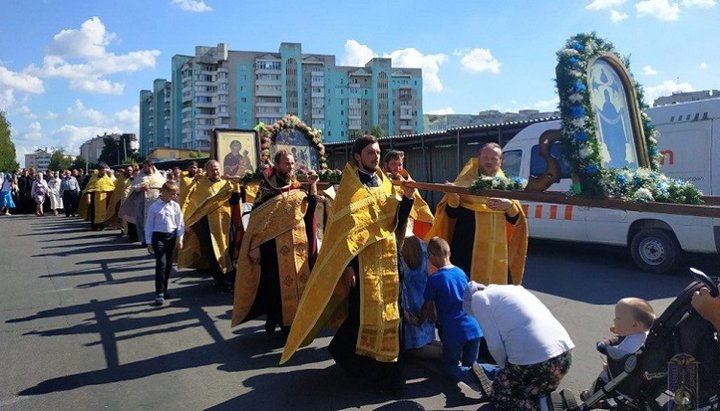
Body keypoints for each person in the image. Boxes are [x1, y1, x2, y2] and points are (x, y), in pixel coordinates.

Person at [281, 135, 415, 395]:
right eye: (370, 153)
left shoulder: (385, 183)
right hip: (363, 265)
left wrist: (407, 198)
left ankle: (391, 376)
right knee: (363, 318)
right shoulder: (349, 189)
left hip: (388, 261)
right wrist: (347, 266)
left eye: (377, 153)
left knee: (391, 318)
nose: (375, 157)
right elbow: (343, 235)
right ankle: (356, 362)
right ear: (357, 156)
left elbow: (395, 223)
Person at [231, 150, 319, 336]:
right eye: (287, 163)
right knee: (274, 286)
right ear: (277, 165)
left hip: (297, 244)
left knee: (299, 283)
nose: (291, 166)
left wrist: (312, 188)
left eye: (293, 163)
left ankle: (294, 321)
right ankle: (277, 319)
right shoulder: (267, 187)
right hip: (273, 246)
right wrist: (254, 245)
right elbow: (257, 219)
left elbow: (307, 211)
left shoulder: (296, 186)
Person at [427, 143, 528, 285]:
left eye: (494, 158)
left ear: (500, 162)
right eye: (486, 157)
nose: (489, 161)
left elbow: (516, 221)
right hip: (466, 247)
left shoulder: (506, 186)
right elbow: (451, 214)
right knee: (466, 292)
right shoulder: (464, 181)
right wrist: (453, 197)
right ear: (479, 158)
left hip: (495, 253)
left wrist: (510, 206)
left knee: (492, 293)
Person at [465, 281, 575, 409]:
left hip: (534, 361)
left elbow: (495, 346)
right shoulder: (514, 289)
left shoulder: (478, 299)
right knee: (535, 390)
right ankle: (550, 401)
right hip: (563, 355)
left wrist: (505, 370)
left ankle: (542, 406)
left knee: (501, 398)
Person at [411, 237, 483, 388]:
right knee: (472, 366)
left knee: (450, 367)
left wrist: (418, 321)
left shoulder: (435, 279)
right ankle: (485, 379)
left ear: (433, 255)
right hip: (475, 327)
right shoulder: (460, 272)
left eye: (429, 256)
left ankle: (491, 375)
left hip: (455, 330)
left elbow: (427, 306)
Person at [581, 297, 655, 401]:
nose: (614, 320)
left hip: (622, 377)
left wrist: (608, 366)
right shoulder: (644, 334)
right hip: (636, 375)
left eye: (618, 318)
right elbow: (626, 334)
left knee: (603, 377)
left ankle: (591, 397)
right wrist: (620, 329)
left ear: (634, 324)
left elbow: (620, 361)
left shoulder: (630, 345)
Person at [178, 160, 236, 290]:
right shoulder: (202, 186)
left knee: (228, 250)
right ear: (207, 171)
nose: (215, 172)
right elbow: (195, 205)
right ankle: (220, 280)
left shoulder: (227, 183)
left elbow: (234, 200)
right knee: (214, 252)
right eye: (212, 170)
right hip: (208, 225)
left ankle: (229, 277)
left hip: (226, 223)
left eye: (217, 169)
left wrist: (236, 186)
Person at [399, 235, 441, 359]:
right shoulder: (422, 245)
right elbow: (429, 276)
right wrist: (432, 305)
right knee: (428, 343)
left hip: (408, 312)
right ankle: (457, 352)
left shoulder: (395, 251)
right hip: (423, 306)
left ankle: (453, 355)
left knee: (413, 349)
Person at [145, 182, 185, 306]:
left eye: (175, 193)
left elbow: (180, 223)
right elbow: (149, 225)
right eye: (172, 193)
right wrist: (149, 242)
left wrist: (180, 238)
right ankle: (159, 293)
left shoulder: (175, 206)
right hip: (159, 237)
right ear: (164, 192)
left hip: (171, 236)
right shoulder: (154, 207)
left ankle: (165, 288)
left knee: (168, 265)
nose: (174, 196)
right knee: (161, 264)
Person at [383, 150, 434, 239]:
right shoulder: (380, 180)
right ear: (386, 165)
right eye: (394, 164)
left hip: (407, 222)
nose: (397, 167)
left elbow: (417, 202)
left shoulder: (406, 180)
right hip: (387, 224)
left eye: (400, 164)